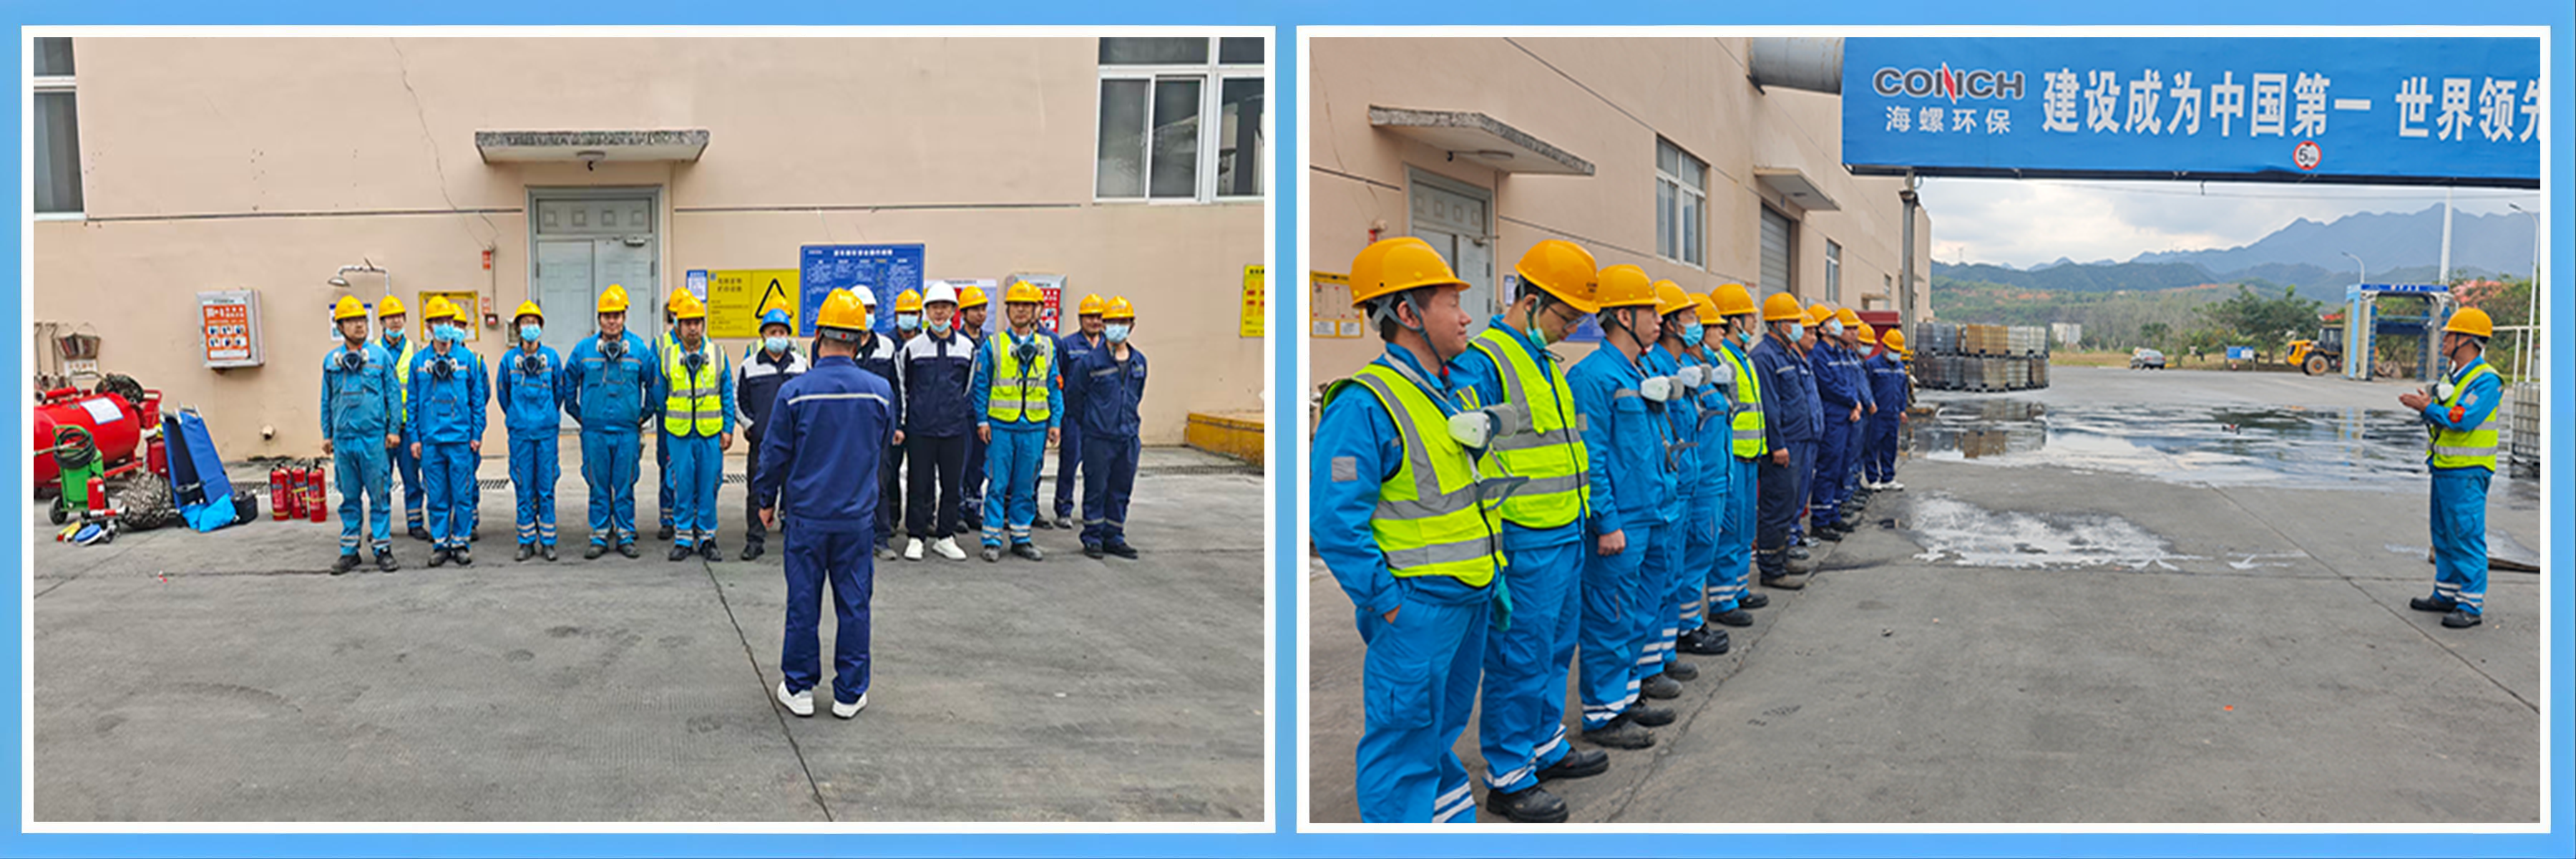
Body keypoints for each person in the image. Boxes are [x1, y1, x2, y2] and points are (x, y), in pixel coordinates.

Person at [1309, 237, 1503, 823]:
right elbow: (1335, 521)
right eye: (1452, 302)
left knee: (1439, 734)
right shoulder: (1363, 405)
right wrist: (1386, 601)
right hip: (1416, 607)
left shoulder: (1446, 390)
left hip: (1467, 597)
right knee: (1402, 744)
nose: (1466, 316)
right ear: (1408, 313)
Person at [1448, 239, 1604, 823]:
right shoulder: (1485, 361)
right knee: (1519, 656)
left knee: (1555, 649)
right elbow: (1467, 455)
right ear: (1531, 300)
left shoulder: (1545, 363)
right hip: (1523, 537)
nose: (1570, 329)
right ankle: (1510, 774)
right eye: (1566, 316)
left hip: (1564, 530)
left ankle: (1545, 743)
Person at [756, 288, 897, 719]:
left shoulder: (795, 392)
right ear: (860, 340)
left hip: (807, 518)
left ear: (817, 337)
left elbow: (773, 454)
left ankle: (799, 688)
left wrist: (766, 499)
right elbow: (883, 448)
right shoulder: (880, 392)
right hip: (856, 518)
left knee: (803, 603)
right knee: (854, 604)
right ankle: (849, 694)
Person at [1566, 263, 1678, 752]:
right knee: (1610, 618)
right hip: (1622, 523)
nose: (1659, 320)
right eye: (1650, 311)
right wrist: (1606, 521)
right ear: (1623, 316)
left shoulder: (1640, 371)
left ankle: (1626, 698)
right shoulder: (1592, 377)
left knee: (1639, 614)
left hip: (1653, 513)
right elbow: (1590, 457)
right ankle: (1603, 713)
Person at [2400, 307, 2502, 629]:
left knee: (2466, 534)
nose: (2444, 339)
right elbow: (2444, 413)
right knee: (2443, 533)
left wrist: (2428, 407)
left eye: (2450, 334)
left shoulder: (2486, 381)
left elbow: (2463, 419)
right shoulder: (2452, 377)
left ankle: (2471, 603)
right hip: (2445, 467)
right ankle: (2446, 593)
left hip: (2468, 471)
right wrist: (2428, 407)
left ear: (2467, 340)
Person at [1689, 284, 1770, 642]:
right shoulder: (1718, 362)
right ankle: (1722, 599)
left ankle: (1736, 589)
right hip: (1729, 456)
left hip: (1743, 454)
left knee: (1743, 527)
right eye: (1749, 316)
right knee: (1727, 529)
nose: (1754, 322)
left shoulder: (1739, 359)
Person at [1637, 281, 1703, 695]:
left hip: (1681, 482)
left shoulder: (1675, 365)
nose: (1697, 325)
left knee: (1672, 574)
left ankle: (1663, 655)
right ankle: (1649, 665)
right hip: (1665, 489)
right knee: (1655, 583)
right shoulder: (1653, 366)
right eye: (1690, 317)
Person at [562, 284, 657, 559]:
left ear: (624, 317)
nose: (612, 321)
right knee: (598, 484)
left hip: (627, 431)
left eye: (616, 315)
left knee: (625, 485)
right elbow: (568, 382)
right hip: (595, 432)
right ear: (599, 319)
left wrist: (644, 414)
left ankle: (625, 534)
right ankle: (600, 534)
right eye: (607, 316)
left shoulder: (638, 349)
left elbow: (654, 384)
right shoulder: (584, 350)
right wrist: (578, 413)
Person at [972, 282, 1063, 563]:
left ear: (1037, 310)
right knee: (997, 484)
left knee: (1026, 485)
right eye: (1016, 305)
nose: (1021, 310)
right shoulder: (994, 345)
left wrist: (1055, 421)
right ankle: (991, 539)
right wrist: (982, 420)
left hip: (1034, 427)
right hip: (1001, 426)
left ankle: (1021, 538)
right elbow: (981, 385)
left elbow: (1054, 386)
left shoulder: (1047, 346)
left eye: (1027, 305)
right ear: (1007, 309)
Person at [1672, 293, 1740, 656]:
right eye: (1714, 326)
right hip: (1698, 480)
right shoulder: (1682, 370)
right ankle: (1686, 627)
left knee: (1703, 553)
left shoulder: (1710, 365)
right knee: (1691, 556)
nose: (1720, 332)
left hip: (1716, 474)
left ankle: (1691, 623)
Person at [321, 296, 402, 575]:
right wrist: (327, 434)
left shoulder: (380, 357)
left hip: (373, 439)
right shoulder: (331, 362)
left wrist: (393, 430)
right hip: (344, 440)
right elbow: (327, 399)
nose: (359, 326)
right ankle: (349, 551)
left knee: (380, 495)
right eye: (352, 321)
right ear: (340, 327)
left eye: (362, 321)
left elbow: (393, 395)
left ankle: (382, 549)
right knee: (349, 497)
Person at [899, 283, 978, 561]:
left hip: (954, 428)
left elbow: (967, 387)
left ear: (954, 311)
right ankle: (916, 536)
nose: (940, 312)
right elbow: (905, 386)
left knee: (951, 485)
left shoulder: (967, 348)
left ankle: (946, 537)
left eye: (945, 307)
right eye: (934, 307)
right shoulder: (913, 348)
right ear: (926, 311)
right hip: (921, 429)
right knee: (919, 485)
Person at [408, 297, 487, 568]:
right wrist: (415, 438)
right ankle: (441, 543)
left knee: (462, 494)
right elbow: (412, 403)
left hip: (460, 440)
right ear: (429, 326)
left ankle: (461, 543)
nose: (445, 326)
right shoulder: (419, 362)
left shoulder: (467, 359)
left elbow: (477, 400)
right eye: (439, 321)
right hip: (431, 441)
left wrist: (476, 434)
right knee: (437, 495)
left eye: (448, 321)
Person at [655, 291, 735, 561]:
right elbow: (659, 395)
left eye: (697, 322)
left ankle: (707, 537)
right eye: (687, 323)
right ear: (678, 326)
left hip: (710, 433)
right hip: (679, 434)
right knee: (682, 486)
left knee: (709, 486)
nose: (692, 328)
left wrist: (728, 428)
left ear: (703, 325)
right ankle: (683, 538)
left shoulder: (718, 354)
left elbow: (727, 394)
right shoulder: (667, 356)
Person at [1068, 296, 1147, 559]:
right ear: (1103, 325)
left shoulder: (1139, 361)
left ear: (1132, 325)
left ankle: (1114, 536)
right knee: (1096, 488)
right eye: (1112, 322)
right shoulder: (1091, 362)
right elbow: (1074, 397)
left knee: (1121, 489)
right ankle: (1092, 537)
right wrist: (1092, 422)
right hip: (1098, 438)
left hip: (1128, 437)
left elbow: (1136, 395)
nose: (1117, 327)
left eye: (1123, 322)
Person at [1751, 293, 1821, 587]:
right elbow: (1770, 406)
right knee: (1776, 507)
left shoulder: (1787, 353)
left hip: (1798, 439)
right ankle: (1771, 569)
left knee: (1790, 504)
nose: (1798, 327)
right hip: (1784, 445)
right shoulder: (1765, 356)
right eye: (1793, 321)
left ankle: (1781, 558)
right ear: (1777, 324)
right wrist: (1777, 444)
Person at [834, 290, 906, 560]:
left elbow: (897, 388)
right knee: (845, 482)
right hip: (845, 429)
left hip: (878, 429)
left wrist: (898, 424)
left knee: (880, 483)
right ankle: (849, 536)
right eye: (862, 308)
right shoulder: (840, 345)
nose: (867, 314)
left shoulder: (887, 346)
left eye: (871, 309)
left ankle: (881, 538)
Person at [736, 306, 808, 561]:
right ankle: (755, 541)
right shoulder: (749, 366)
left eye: (782, 332)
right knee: (758, 491)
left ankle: (795, 538)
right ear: (763, 335)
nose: (777, 336)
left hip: (795, 442)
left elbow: (808, 399)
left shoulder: (800, 365)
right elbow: (738, 400)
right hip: (763, 443)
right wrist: (750, 426)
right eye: (772, 332)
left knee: (795, 491)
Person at [495, 301, 565, 562]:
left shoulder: (552, 358)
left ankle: (548, 541)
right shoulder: (508, 361)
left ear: (541, 327)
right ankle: (526, 541)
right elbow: (503, 395)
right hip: (521, 435)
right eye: (525, 323)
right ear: (517, 328)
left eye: (534, 322)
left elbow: (559, 392)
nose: (530, 327)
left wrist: (547, 417)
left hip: (546, 433)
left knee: (546, 488)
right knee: (524, 487)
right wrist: (517, 417)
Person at [1047, 293, 1108, 531]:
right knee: (1069, 464)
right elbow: (1058, 379)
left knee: (1099, 467)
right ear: (1080, 318)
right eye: (1090, 317)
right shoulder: (1068, 345)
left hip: (1101, 417)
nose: (1095, 321)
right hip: (1074, 416)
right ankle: (1063, 510)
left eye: (1099, 317)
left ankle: (1095, 510)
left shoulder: (1109, 345)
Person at [1807, 304, 1865, 543]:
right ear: (1822, 329)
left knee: (1842, 467)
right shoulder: (1819, 353)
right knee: (1829, 468)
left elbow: (1849, 382)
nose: (1837, 324)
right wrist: (1853, 402)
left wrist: (1855, 404)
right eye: (1831, 321)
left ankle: (1833, 513)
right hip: (1833, 417)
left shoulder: (1839, 353)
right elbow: (1829, 385)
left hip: (1847, 415)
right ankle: (1820, 521)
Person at [374, 296, 430, 542]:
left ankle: (415, 522)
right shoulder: (372, 352)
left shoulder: (416, 351)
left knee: (412, 478)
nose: (395, 321)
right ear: (382, 322)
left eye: (399, 317)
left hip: (408, 428)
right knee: (380, 479)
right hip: (381, 428)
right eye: (390, 317)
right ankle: (381, 526)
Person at [957, 285, 992, 535]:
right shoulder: (957, 341)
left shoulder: (990, 342)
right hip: (961, 413)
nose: (980, 314)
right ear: (963, 313)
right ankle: (958, 512)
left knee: (979, 465)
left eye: (983, 309)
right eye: (975, 309)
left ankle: (973, 510)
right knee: (960, 465)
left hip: (983, 414)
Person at [654, 290, 690, 542]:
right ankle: (667, 518)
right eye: (677, 314)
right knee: (666, 466)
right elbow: (654, 383)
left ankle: (687, 517)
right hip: (668, 418)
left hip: (696, 418)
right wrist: (663, 411)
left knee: (690, 468)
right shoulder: (660, 344)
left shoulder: (704, 342)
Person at [1863, 328, 1911, 492]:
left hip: (1893, 414)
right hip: (1877, 415)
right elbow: (1866, 388)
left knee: (1890, 447)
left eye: (1898, 351)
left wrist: (1902, 410)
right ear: (1885, 347)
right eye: (1894, 351)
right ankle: (1872, 478)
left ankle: (1888, 478)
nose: (1896, 354)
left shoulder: (1900, 367)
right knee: (1872, 446)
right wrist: (1869, 406)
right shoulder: (1872, 365)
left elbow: (1903, 390)